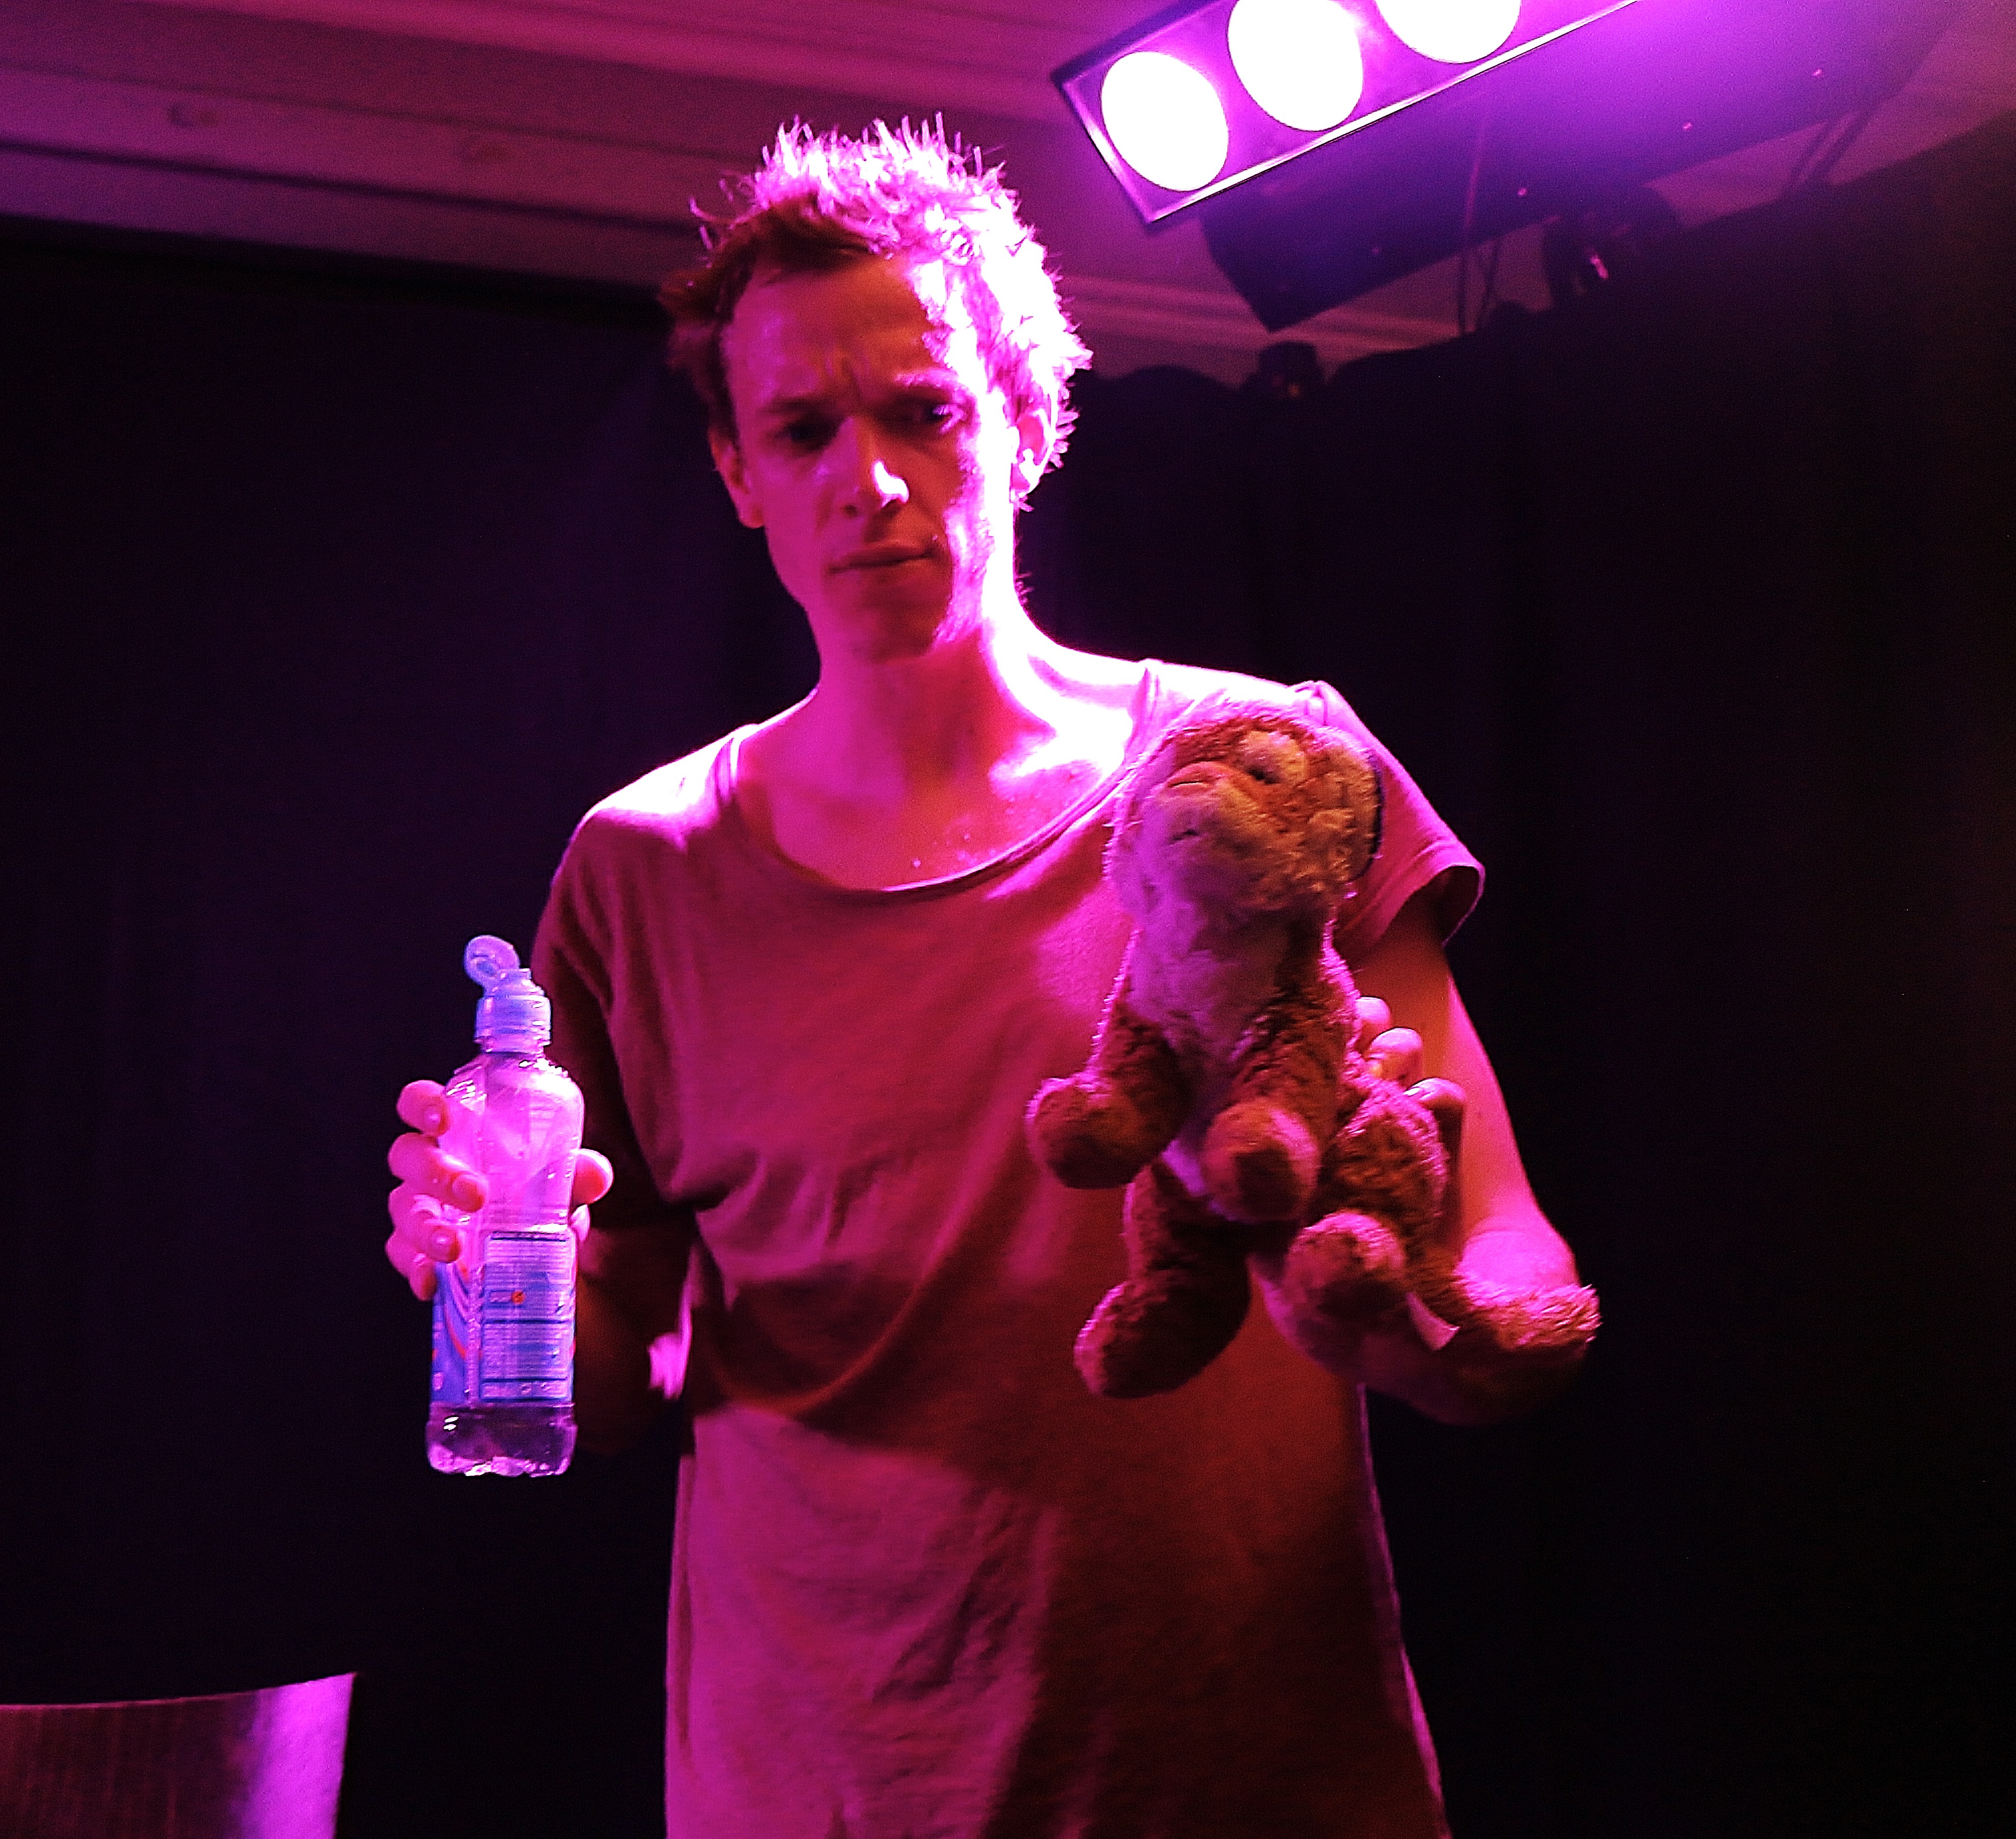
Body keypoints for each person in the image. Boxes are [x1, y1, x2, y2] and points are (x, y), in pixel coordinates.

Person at [386, 122, 1587, 1838]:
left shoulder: (1262, 775)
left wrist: (1405, 1321)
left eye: (924, 412)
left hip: (1253, 1783)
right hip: (821, 1793)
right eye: (804, 430)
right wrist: (491, 1277)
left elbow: (1501, 1247)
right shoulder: (640, 870)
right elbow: (628, 1361)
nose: (869, 480)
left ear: (1027, 419)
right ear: (738, 472)